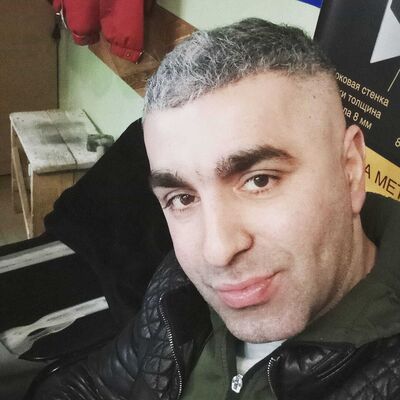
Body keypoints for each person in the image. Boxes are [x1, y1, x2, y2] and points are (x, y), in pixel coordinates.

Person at [33, 18, 400, 400]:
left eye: (260, 180)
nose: (217, 251)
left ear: (350, 170)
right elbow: (91, 385)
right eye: (182, 198)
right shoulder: (178, 289)